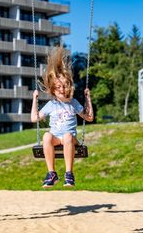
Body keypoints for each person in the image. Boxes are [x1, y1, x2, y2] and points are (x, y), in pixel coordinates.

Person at [31, 46, 94, 188]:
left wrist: (88, 98)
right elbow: (34, 118)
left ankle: (69, 174)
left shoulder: (73, 103)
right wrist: (35, 99)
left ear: (69, 87)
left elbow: (89, 117)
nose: (62, 89)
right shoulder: (51, 104)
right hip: (55, 138)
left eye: (65, 86)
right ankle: (51, 173)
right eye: (58, 87)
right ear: (53, 89)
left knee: (67, 136)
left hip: (70, 138)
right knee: (46, 136)